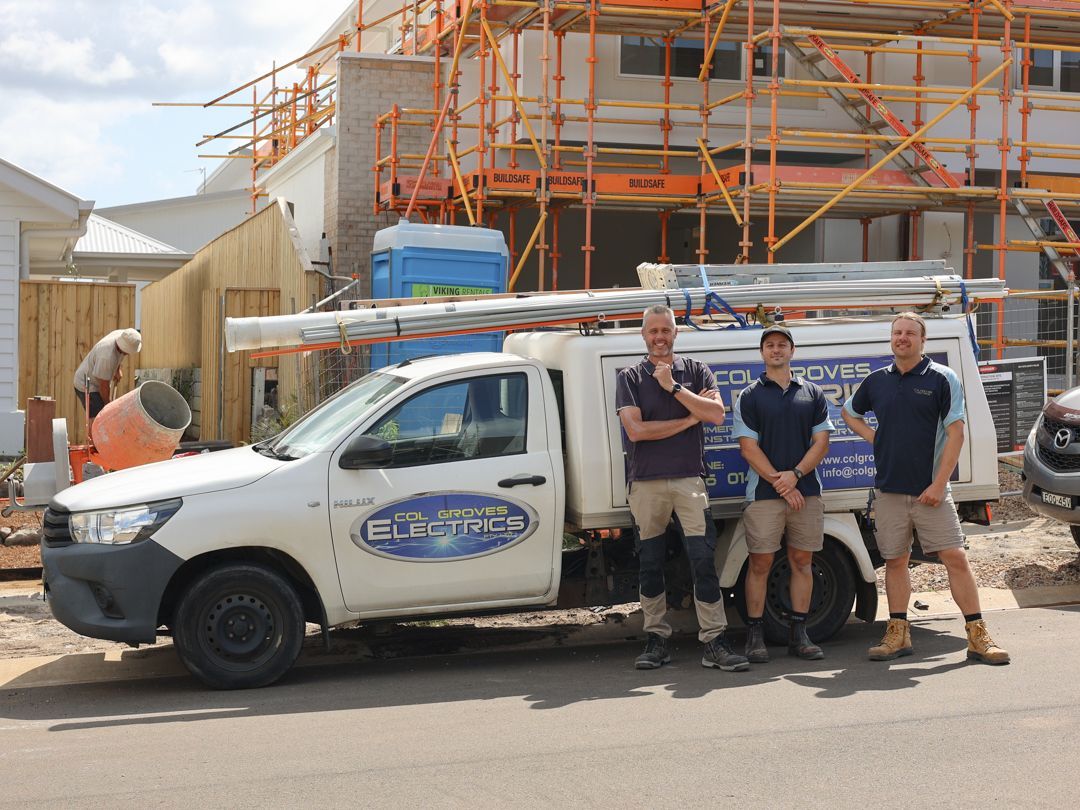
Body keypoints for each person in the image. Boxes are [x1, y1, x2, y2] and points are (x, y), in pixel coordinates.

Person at [842, 312, 1009, 665]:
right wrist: (875, 437)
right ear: (891, 339)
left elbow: (956, 433)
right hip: (888, 490)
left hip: (930, 492)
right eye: (897, 333)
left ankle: (978, 637)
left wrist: (937, 484)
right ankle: (898, 635)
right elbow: (849, 413)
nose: (903, 338)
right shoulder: (876, 382)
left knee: (956, 558)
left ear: (923, 340)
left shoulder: (942, 379)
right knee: (895, 561)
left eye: (910, 333)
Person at [616, 304, 749, 672]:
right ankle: (656, 639)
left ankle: (714, 641)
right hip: (645, 484)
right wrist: (691, 417)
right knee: (651, 564)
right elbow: (636, 432)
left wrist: (673, 388)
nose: (660, 337)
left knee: (703, 561)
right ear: (643, 335)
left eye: (666, 330)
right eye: (653, 331)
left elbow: (717, 415)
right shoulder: (628, 377)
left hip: (690, 479)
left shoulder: (695, 371)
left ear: (676, 333)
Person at [732, 324, 834, 663]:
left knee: (802, 562)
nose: (776, 350)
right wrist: (782, 483)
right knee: (760, 563)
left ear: (792, 351)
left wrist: (796, 475)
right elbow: (748, 449)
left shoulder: (813, 393)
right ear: (762, 353)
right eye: (770, 345)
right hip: (764, 495)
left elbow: (822, 442)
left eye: (782, 345)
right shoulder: (749, 395)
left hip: (806, 492)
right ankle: (755, 634)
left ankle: (799, 634)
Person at [73, 328, 142, 430]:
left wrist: (117, 369)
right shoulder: (106, 357)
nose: (128, 354)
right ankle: (95, 443)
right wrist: (108, 405)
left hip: (98, 379)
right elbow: (103, 387)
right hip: (86, 384)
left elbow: (120, 354)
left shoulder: (122, 335)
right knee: (99, 417)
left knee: (103, 414)